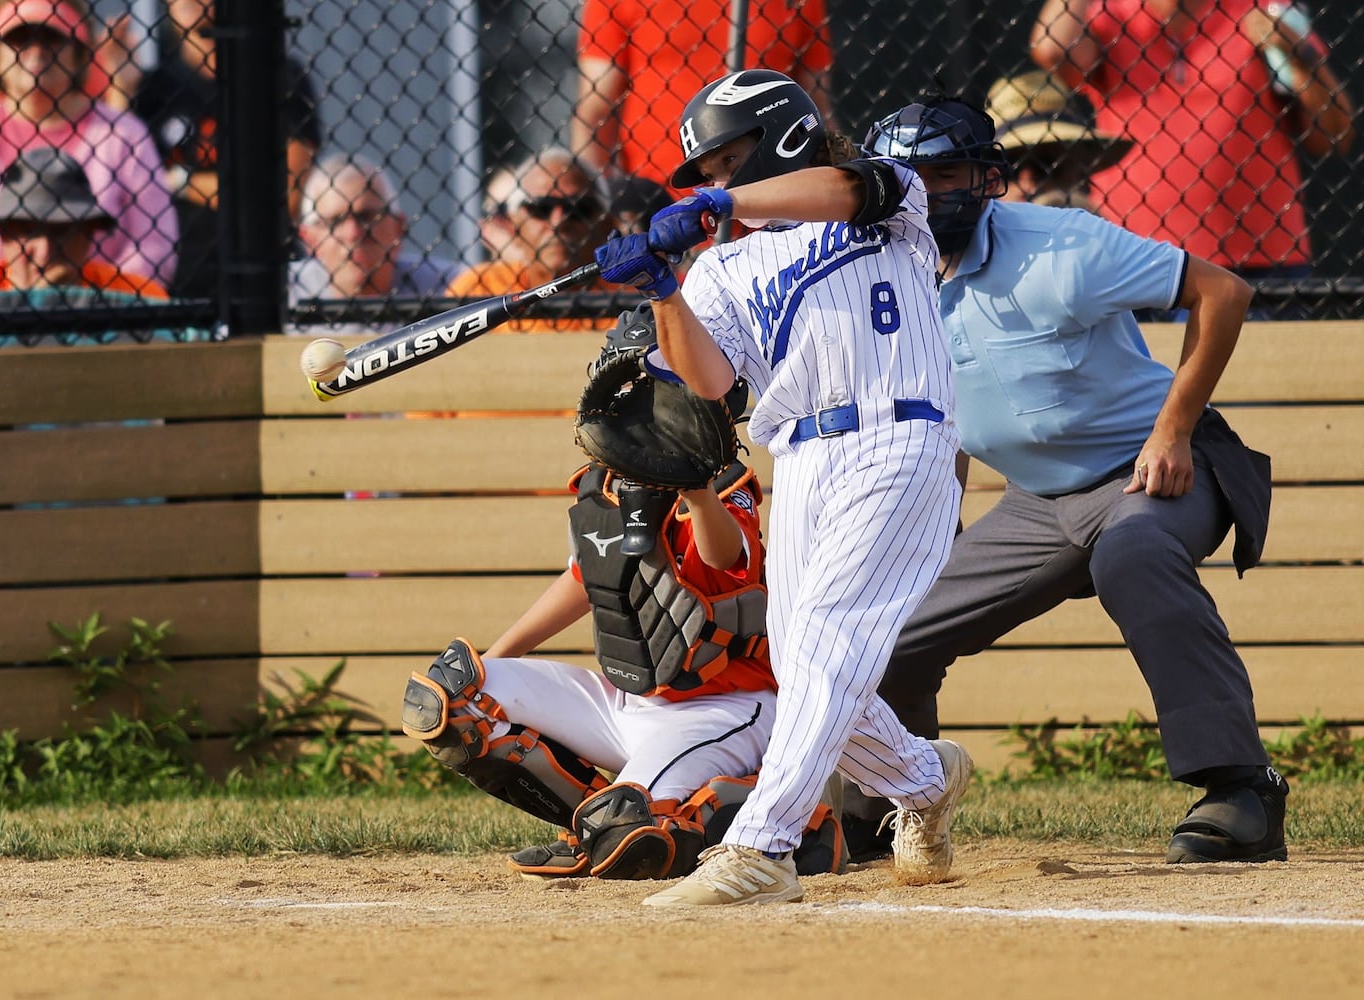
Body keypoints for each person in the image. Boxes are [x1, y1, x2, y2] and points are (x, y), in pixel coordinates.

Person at [843, 96, 1288, 866]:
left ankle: (1241, 792)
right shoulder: (880, 279)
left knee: (1134, 554)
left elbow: (1223, 291)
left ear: (987, 178)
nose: (926, 191)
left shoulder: (1059, 246)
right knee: (889, 621)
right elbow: (936, 414)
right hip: (1034, 503)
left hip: (1148, 472)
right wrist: (927, 538)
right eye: (905, 176)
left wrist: (1173, 429)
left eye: (945, 171)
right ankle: (887, 805)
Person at [593, 69, 975, 907]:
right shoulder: (719, 270)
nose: (719, 182)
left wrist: (727, 208)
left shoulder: (881, 196)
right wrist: (663, 286)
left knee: (827, 640)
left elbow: (847, 187)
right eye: (711, 172)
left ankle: (759, 850)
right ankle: (922, 780)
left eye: (730, 160)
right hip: (801, 457)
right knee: (801, 657)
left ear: (781, 134)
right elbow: (707, 381)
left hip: (901, 433)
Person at [400, 305, 842, 882]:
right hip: (627, 705)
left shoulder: (724, 482)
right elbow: (589, 578)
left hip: (725, 709)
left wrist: (697, 490)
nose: (637, 396)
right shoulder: (603, 488)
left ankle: (802, 826)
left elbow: (727, 561)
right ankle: (598, 826)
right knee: (453, 697)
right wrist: (496, 659)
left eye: (652, 383)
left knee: (633, 826)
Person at [1030, 0, 1355, 283]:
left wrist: (1297, 55)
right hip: (1134, 259)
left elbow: (1334, 135)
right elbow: (1052, 49)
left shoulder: (1260, 11)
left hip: (1264, 261)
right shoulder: (1109, 16)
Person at [0, 0, 176, 287]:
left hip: (103, 318)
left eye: (52, 38)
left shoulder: (122, 133)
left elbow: (156, 244)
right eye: (19, 38)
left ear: (78, 56)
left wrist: (92, 296)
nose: (36, 51)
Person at [130, 0, 321, 298]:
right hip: (175, 281)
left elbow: (284, 199)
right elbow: (126, 191)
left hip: (266, 276)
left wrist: (177, 180)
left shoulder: (278, 76)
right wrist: (118, 90)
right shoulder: (154, 88)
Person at [572, 0, 835, 194]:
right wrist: (607, 204)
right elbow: (595, 113)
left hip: (771, 190)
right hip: (663, 201)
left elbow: (816, 111)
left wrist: (839, 177)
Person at [0, 145, 167, 299]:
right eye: (29, 231)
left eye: (61, 230)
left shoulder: (136, 297)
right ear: (3, 234)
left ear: (89, 231)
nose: (45, 250)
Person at [445, 146, 615, 333]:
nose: (558, 222)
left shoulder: (631, 293)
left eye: (579, 209)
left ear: (606, 224)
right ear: (514, 225)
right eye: (541, 208)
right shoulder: (481, 287)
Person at [291, 153, 461, 313]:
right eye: (335, 221)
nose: (353, 233)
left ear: (398, 228)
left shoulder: (451, 286)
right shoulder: (286, 293)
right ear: (309, 239)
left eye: (366, 217)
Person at [986, 69, 1131, 210]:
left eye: (1047, 165)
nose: (1028, 186)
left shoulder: (1099, 232)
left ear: (1080, 171)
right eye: (1009, 169)